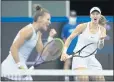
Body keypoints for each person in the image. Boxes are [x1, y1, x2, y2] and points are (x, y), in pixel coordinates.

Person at [1, 4, 56, 80]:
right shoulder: (28, 30)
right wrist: (20, 66)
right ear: (40, 19)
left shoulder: (38, 34)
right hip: (10, 70)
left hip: (21, 69)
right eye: (48, 19)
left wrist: (50, 37)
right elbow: (13, 48)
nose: (50, 22)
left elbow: (42, 54)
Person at [61, 7, 107, 81]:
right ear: (90, 15)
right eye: (93, 14)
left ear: (100, 15)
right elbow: (69, 38)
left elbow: (100, 47)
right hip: (79, 57)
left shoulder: (102, 29)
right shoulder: (82, 26)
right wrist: (64, 52)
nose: (95, 15)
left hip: (92, 58)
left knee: (101, 79)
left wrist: (101, 40)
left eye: (97, 14)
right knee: (84, 78)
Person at [61, 10, 78, 81]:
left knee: (76, 64)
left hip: (77, 49)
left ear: (76, 17)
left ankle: (76, 78)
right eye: (72, 16)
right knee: (67, 62)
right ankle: (66, 78)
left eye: (74, 16)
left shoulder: (78, 26)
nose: (73, 18)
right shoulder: (66, 27)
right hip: (68, 49)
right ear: (69, 17)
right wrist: (65, 49)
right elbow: (64, 38)